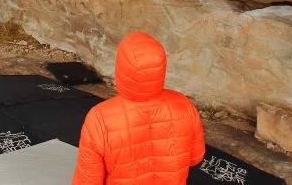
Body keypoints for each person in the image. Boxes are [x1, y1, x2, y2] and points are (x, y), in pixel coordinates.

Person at [72, 32, 205, 185]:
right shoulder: (184, 105)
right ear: (161, 67)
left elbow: (87, 181)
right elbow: (195, 157)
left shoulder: (99, 118)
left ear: (121, 67)